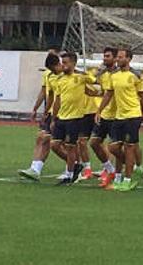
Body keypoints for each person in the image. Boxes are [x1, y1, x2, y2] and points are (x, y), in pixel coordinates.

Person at [95, 48, 143, 192]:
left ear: (129, 59)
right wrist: (99, 110)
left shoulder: (136, 75)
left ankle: (126, 180)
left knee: (129, 147)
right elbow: (108, 94)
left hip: (133, 115)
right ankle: (127, 167)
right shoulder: (114, 75)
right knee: (114, 147)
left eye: (121, 57)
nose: (118, 59)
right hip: (119, 116)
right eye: (117, 57)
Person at [50, 52, 95, 185]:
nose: (63, 65)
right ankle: (76, 165)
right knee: (54, 145)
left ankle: (69, 176)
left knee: (71, 147)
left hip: (75, 118)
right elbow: (57, 100)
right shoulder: (60, 80)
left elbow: (95, 81)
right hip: (61, 117)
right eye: (62, 63)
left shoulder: (80, 77)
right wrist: (54, 118)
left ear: (74, 63)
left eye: (66, 63)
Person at [18, 51, 61, 181]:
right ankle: (35, 168)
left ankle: (76, 166)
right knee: (41, 139)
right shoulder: (48, 75)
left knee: (60, 144)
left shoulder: (64, 76)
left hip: (62, 113)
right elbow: (44, 92)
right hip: (50, 111)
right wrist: (36, 108)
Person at [88, 47, 119, 188]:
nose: (104, 58)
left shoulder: (120, 74)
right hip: (105, 113)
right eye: (104, 56)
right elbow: (104, 92)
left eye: (107, 56)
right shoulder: (103, 74)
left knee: (114, 147)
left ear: (115, 58)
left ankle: (117, 174)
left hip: (118, 115)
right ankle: (109, 169)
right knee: (94, 142)